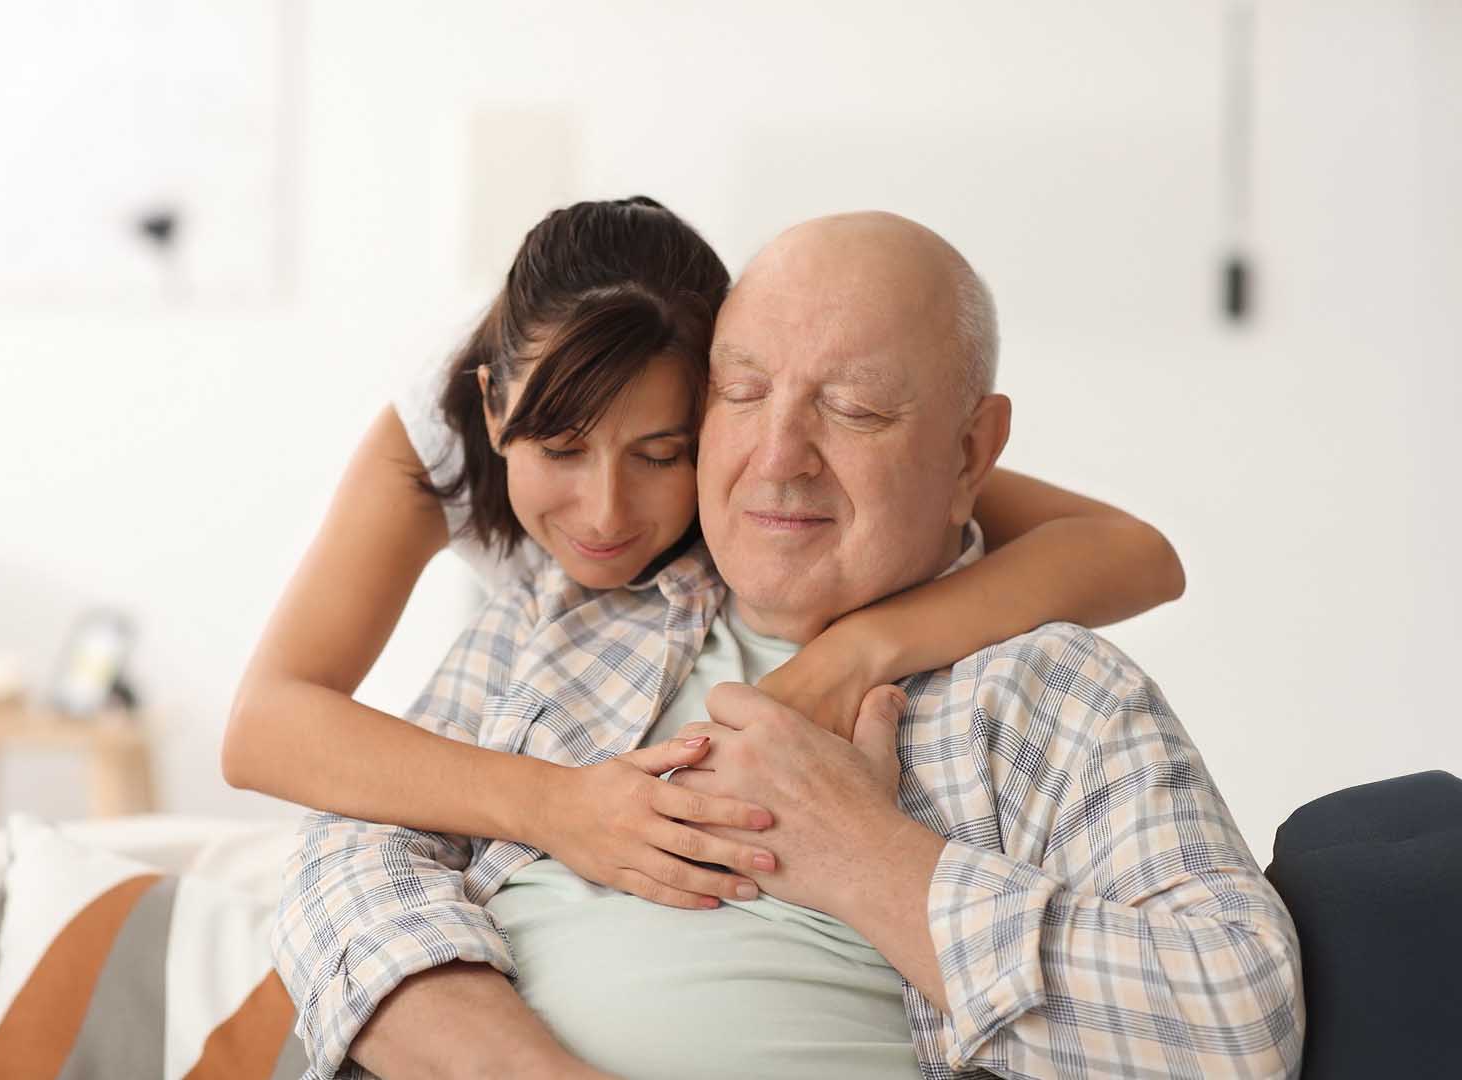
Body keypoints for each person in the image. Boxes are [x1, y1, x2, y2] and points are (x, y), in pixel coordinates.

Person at [271, 212, 1303, 1080]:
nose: (778, 460)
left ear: (969, 454)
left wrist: (865, 857)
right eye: (742, 393)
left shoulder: (1050, 686)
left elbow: (1235, 1026)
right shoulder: (579, 604)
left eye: (851, 410)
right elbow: (343, 853)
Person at [224, 197, 1186, 912]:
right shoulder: (438, 434)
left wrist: (856, 654)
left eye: (660, 455)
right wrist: (555, 807)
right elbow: (265, 724)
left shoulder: (761, 443)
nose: (605, 513)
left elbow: (1133, 552)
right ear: (493, 410)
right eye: (559, 450)